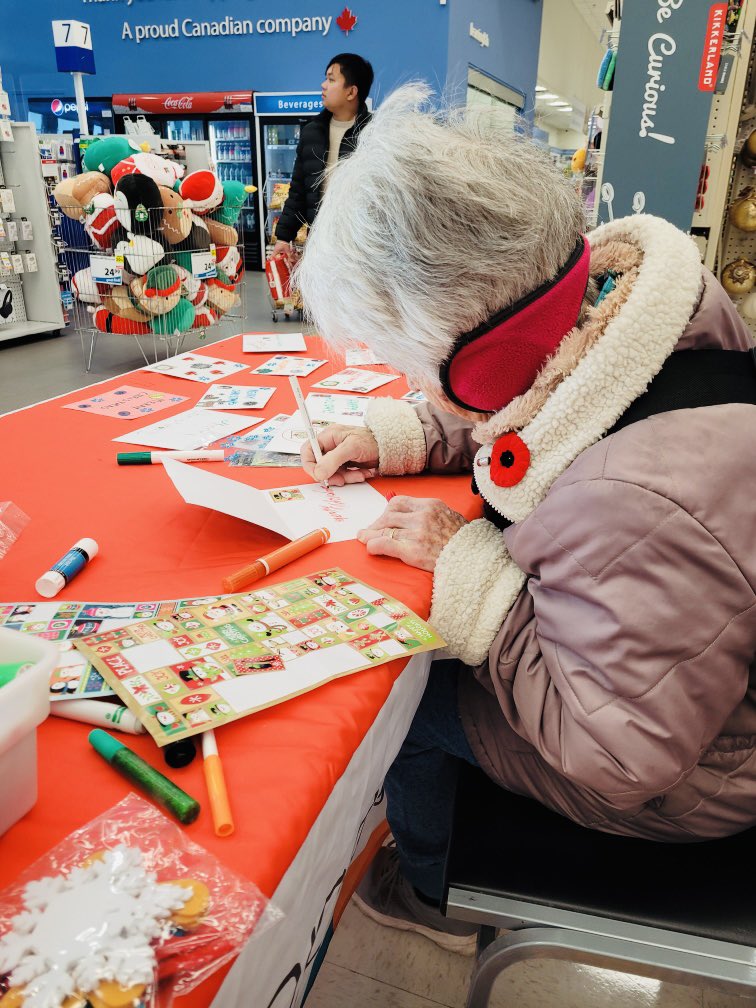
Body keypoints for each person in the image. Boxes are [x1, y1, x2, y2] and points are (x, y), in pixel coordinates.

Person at [294, 84, 756, 955]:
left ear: (478, 355)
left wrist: (480, 589)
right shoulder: (629, 307)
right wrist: (389, 433)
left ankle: (430, 894)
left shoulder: (631, 502)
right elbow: (530, 400)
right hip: (684, 671)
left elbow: (619, 758)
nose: (410, 383)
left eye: (410, 366)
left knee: (406, 690)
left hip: (694, 778)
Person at [270, 53, 373, 260]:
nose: (323, 85)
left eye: (331, 79)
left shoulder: (375, 133)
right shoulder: (311, 132)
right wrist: (283, 237)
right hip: (318, 246)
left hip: (361, 250)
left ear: (351, 92)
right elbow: (299, 190)